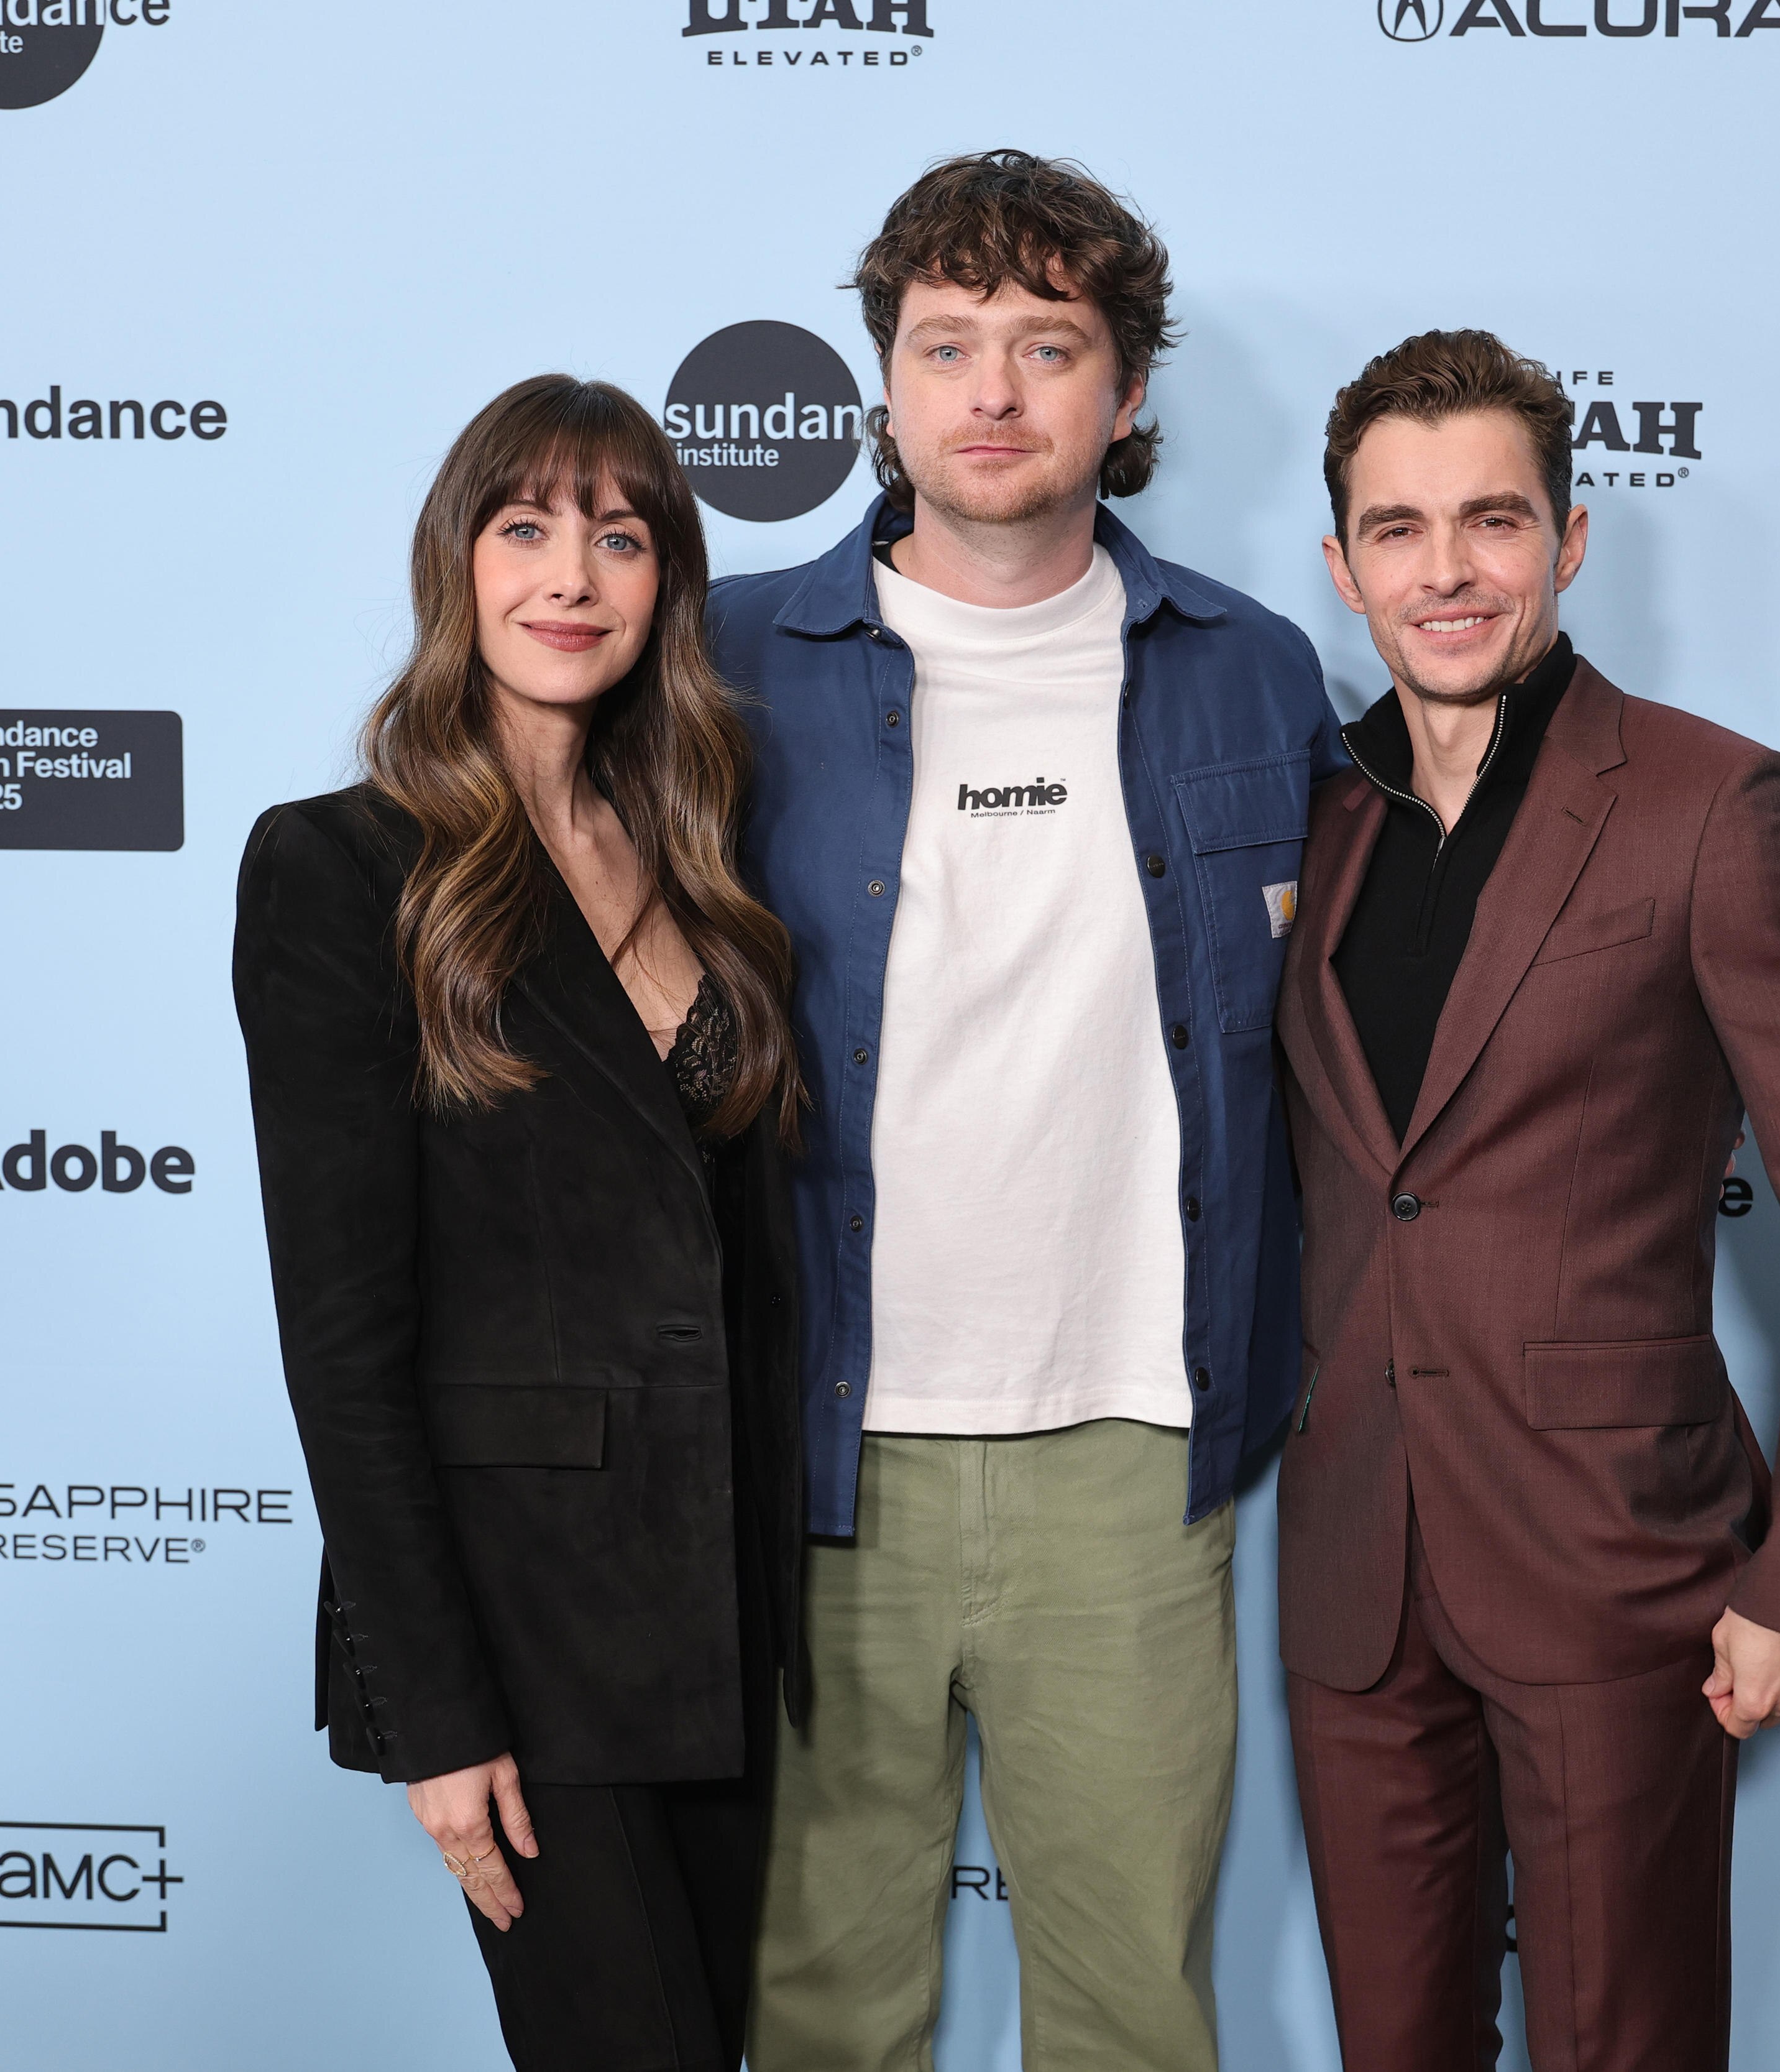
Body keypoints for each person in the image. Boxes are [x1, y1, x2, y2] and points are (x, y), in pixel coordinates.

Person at [708, 151, 1341, 2070]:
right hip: (821, 1449)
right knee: (822, 2014)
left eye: (1049, 346)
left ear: (1128, 394)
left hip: (1135, 1453)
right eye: (948, 343)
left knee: (1133, 2017)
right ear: (884, 386)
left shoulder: (1255, 673)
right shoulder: (723, 667)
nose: (995, 390)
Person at [1274, 330, 1780, 2071]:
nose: (1447, 572)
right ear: (1340, 565)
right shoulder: (1315, 818)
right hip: (1358, 1574)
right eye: (1400, 530)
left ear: (1569, 542)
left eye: (1493, 522)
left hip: (1614, 1567)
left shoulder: (1713, 809)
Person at [232, 375, 809, 2072]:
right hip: (523, 1634)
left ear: (666, 587)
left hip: (718, 1614)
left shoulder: (711, 863)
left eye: (621, 537)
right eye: (528, 526)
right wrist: (438, 1714)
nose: (573, 575)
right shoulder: (340, 869)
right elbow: (344, 1340)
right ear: (458, 562)